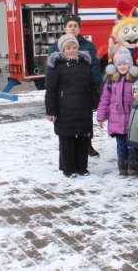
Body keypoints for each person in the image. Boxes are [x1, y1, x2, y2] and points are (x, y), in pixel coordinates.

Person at [48, 14, 102, 158]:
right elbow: (51, 71)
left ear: (79, 28)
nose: (73, 28)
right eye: (70, 25)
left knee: (86, 120)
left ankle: (87, 145)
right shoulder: (55, 46)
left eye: (75, 25)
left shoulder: (88, 46)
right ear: (64, 28)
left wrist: (94, 89)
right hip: (65, 95)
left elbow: (95, 69)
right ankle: (68, 147)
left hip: (84, 92)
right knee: (67, 121)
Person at [45, 34, 98, 178]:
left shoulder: (84, 63)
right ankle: (68, 168)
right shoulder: (56, 67)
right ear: (62, 49)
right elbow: (50, 91)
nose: (72, 50)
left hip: (83, 107)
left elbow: (92, 85)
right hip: (64, 109)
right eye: (68, 48)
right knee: (67, 139)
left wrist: (95, 102)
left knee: (83, 137)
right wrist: (51, 111)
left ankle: (82, 167)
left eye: (74, 47)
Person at [97, 48, 138, 177]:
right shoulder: (111, 81)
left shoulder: (135, 80)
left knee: (132, 145)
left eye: (125, 64)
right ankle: (123, 166)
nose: (122, 67)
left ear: (130, 65)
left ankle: (133, 166)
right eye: (120, 64)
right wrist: (101, 117)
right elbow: (105, 100)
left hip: (132, 119)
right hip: (116, 120)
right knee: (121, 145)